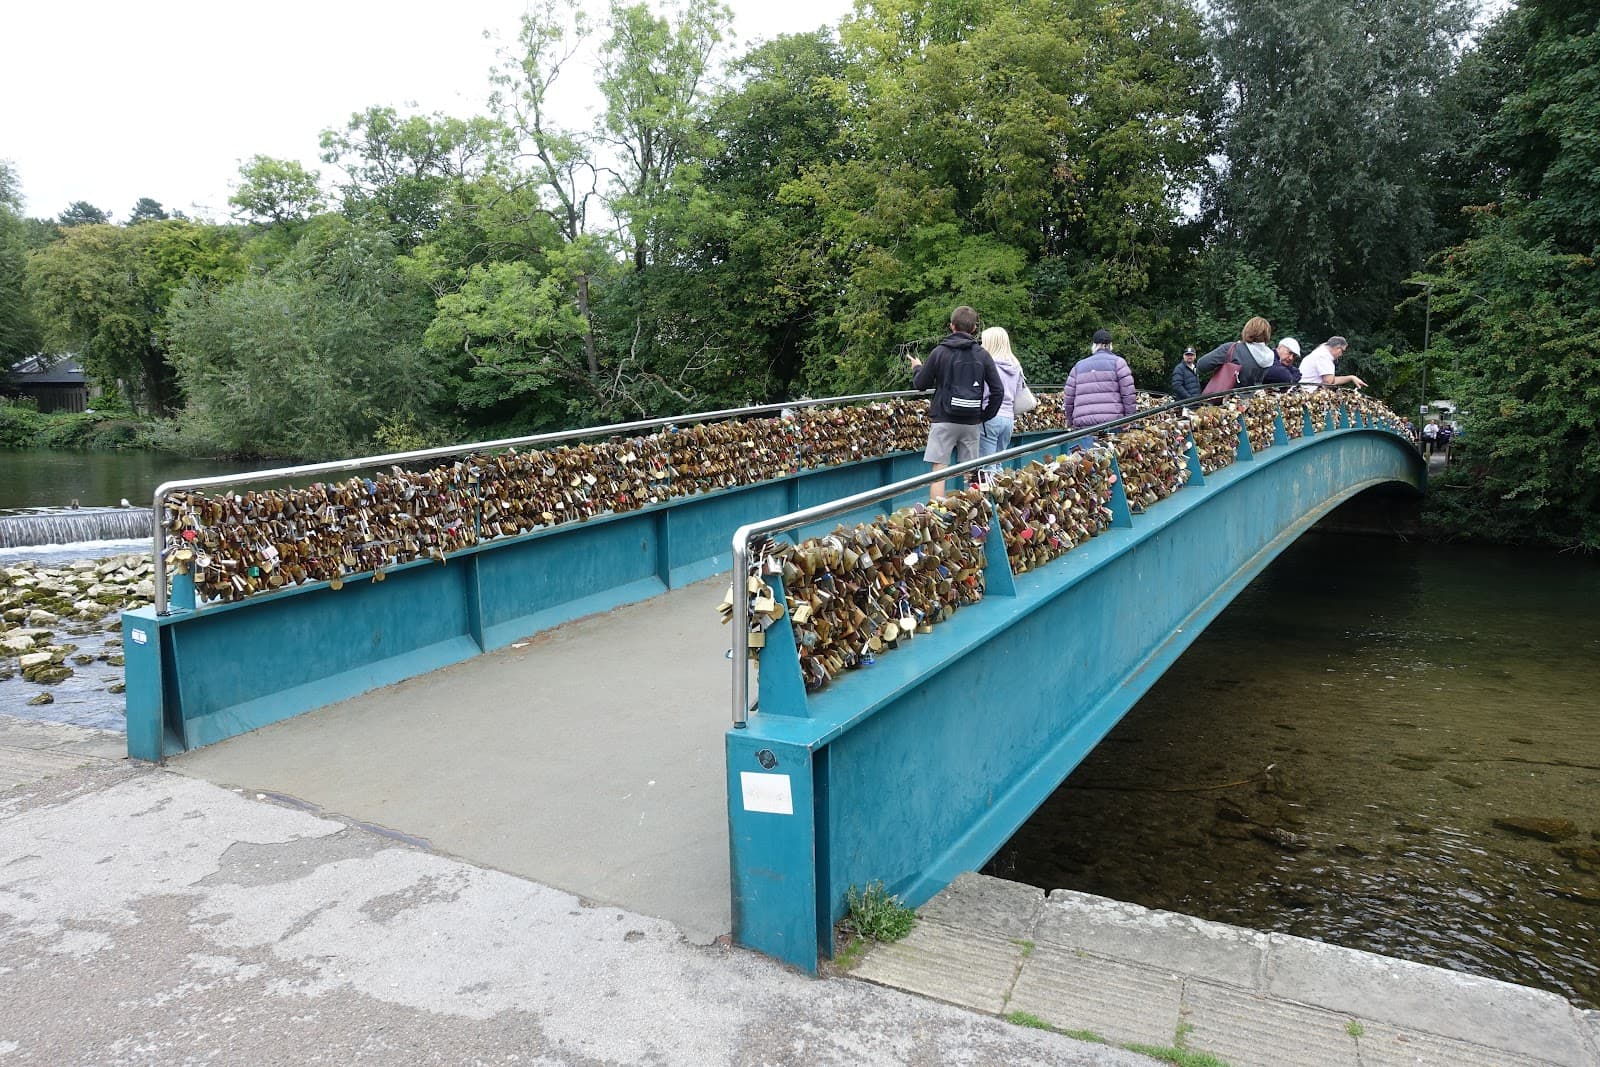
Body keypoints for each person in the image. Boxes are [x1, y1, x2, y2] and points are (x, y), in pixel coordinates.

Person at [909, 305, 1004, 499]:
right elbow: (998, 391)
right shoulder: (982, 354)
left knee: (939, 470)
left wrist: (917, 367)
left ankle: (937, 514)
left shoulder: (940, 352)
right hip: (971, 422)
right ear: (974, 328)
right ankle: (973, 512)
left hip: (944, 419)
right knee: (970, 473)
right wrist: (983, 416)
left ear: (952, 326)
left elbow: (920, 384)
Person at [1062, 328, 1136, 431]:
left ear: (1094, 345)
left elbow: (1069, 398)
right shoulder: (1119, 363)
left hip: (1083, 425)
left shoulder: (1078, 366)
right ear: (1110, 345)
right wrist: (1129, 419)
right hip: (1112, 423)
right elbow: (1128, 393)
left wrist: (1070, 422)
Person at [977, 325, 1025, 464]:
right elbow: (1018, 392)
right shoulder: (1016, 365)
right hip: (1008, 418)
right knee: (997, 463)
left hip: (990, 416)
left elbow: (982, 392)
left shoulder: (988, 365)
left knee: (986, 464)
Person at [1197, 316, 1276, 389]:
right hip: (1256, 398)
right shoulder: (1269, 355)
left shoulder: (1233, 348)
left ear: (1247, 330)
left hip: (1231, 398)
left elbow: (1201, 365)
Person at [1298, 335, 1367, 391]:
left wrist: (1351, 378)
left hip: (1303, 390)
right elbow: (1329, 382)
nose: (1341, 355)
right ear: (1338, 348)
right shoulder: (1324, 356)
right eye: (1342, 351)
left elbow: (1329, 380)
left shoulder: (1319, 352)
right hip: (1307, 393)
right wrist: (1350, 378)